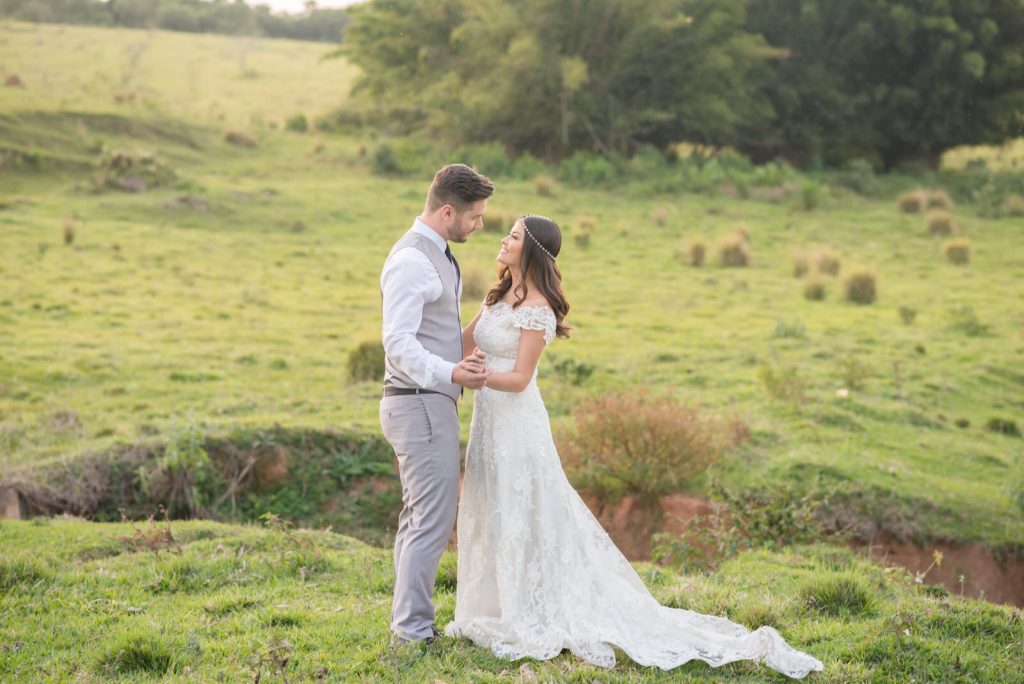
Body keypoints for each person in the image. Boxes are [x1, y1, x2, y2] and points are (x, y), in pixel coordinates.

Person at [444, 215, 825, 678]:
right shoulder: (497, 295)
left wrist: (479, 375)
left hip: (518, 426)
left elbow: (521, 378)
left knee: (524, 508)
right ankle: (492, 606)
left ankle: (531, 611)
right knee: (491, 504)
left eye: (515, 236)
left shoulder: (539, 308)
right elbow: (460, 343)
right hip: (488, 423)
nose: (503, 239)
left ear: (534, 251)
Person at [379, 163, 493, 644]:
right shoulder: (413, 262)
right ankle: (412, 632)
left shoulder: (439, 254)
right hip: (419, 403)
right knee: (432, 519)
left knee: (420, 518)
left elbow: (434, 331)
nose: (480, 224)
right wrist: (451, 371)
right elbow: (398, 343)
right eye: (475, 216)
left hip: (427, 403)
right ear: (448, 211)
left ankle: (410, 624)